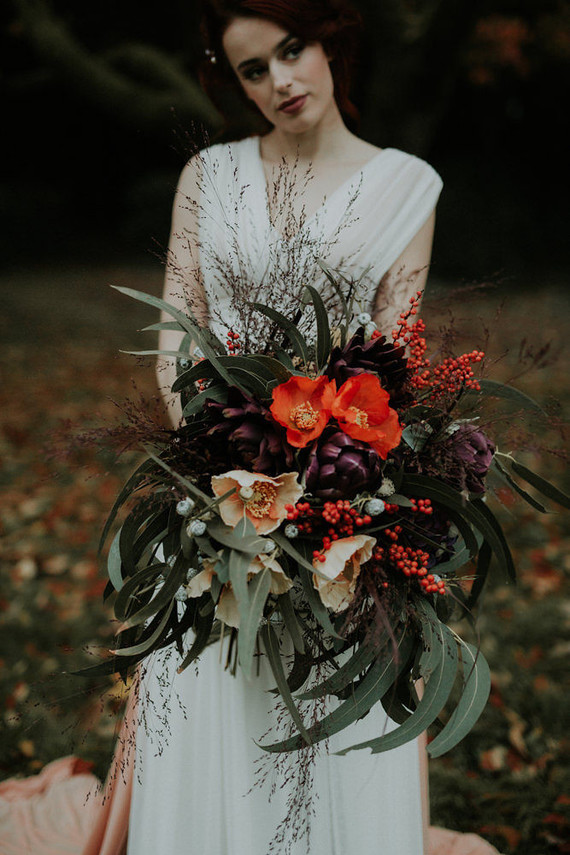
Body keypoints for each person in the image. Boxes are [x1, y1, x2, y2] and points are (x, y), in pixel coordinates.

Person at [87, 2, 503, 854]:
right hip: (218, 489)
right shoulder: (208, 174)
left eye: (291, 49)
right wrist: (214, 462)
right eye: (252, 68)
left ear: (329, 41)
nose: (280, 80)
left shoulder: (406, 183)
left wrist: (338, 490)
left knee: (327, 698)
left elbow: (396, 349)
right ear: (230, 78)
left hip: (342, 492)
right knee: (215, 686)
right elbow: (176, 331)